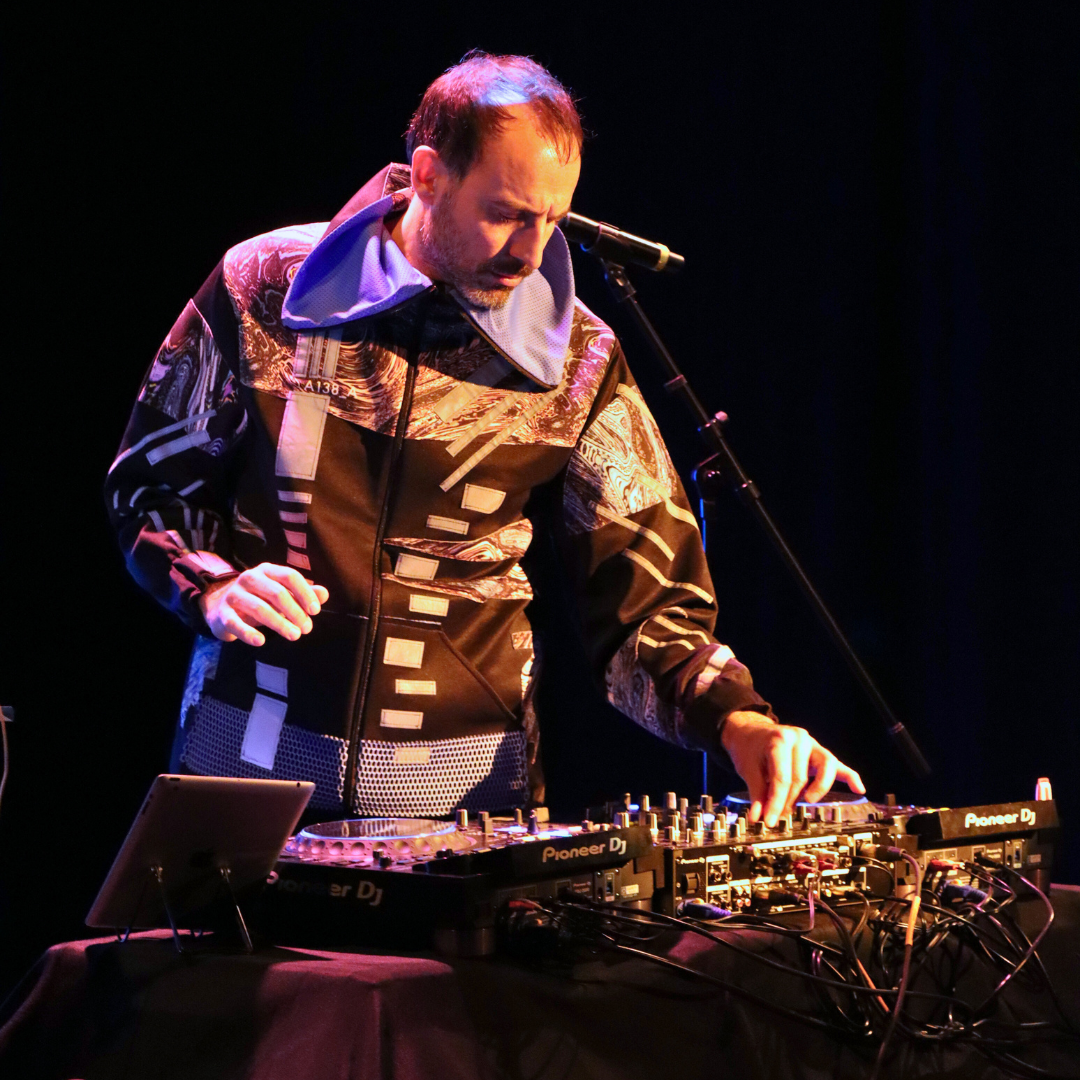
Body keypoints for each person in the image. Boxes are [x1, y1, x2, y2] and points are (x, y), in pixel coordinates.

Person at [105, 52, 863, 826]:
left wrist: (739, 721)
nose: (531, 252)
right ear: (428, 175)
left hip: (468, 806)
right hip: (244, 776)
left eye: (552, 220)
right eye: (506, 213)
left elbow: (643, 602)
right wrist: (214, 583)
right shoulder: (264, 284)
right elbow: (150, 487)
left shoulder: (576, 355)